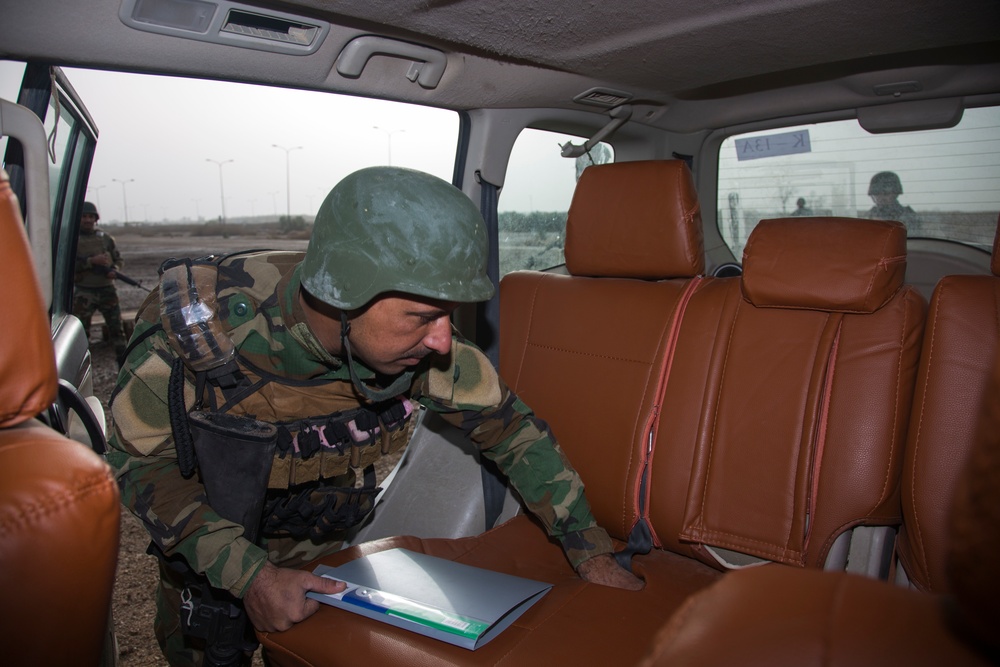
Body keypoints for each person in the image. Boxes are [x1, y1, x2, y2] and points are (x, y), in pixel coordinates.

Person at [107, 166, 642, 666]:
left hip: (320, 544)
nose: (440, 340)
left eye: (447, 316)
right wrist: (249, 577)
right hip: (206, 541)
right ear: (343, 296)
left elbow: (515, 433)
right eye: (423, 316)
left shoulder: (423, 351)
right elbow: (140, 467)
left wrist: (588, 550)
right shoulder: (200, 335)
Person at [74, 200, 128, 365]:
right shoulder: (72, 239)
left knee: (118, 333)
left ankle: (124, 369)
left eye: (91, 216)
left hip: (107, 290)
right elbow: (67, 265)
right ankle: (79, 369)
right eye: (84, 216)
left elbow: (118, 259)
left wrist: (115, 270)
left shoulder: (105, 238)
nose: (88, 220)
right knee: (81, 335)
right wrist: (92, 261)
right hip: (84, 292)